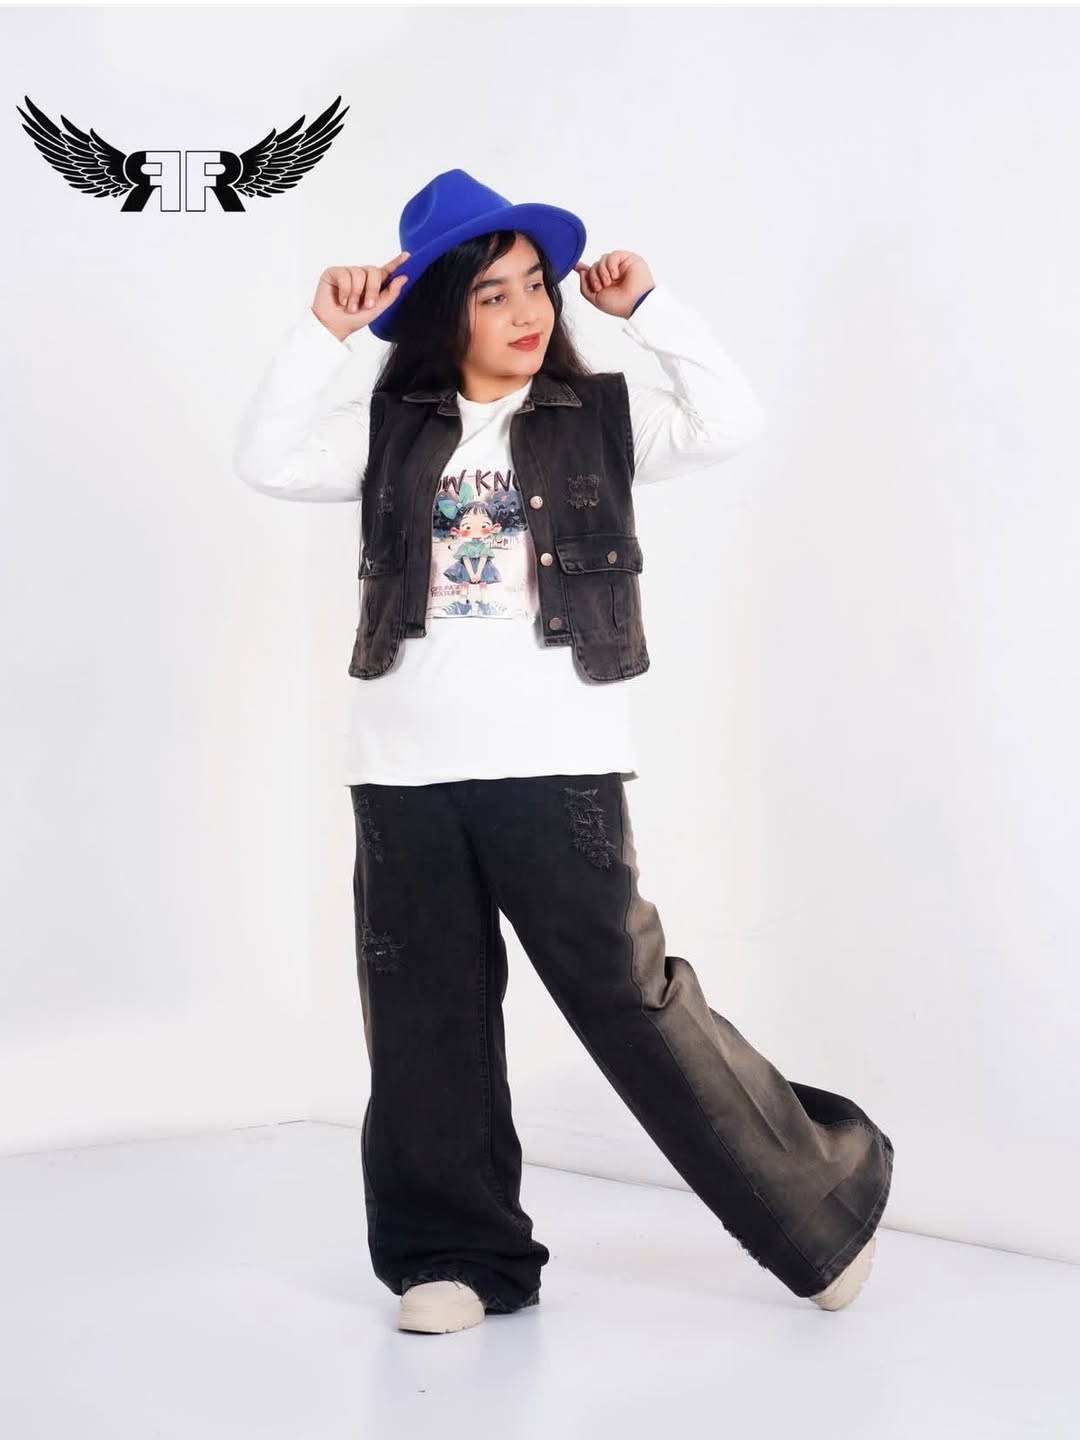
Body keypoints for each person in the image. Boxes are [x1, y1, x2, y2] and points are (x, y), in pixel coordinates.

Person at [233, 168, 894, 1336]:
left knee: (630, 1002)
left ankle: (816, 1206)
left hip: (555, 763)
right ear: (444, 312)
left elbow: (731, 419)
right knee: (426, 1018)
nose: (527, 311)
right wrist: (321, 332)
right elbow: (267, 456)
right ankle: (456, 1257)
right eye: (492, 294)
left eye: (535, 285)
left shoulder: (598, 418)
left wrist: (650, 309)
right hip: (402, 770)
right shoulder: (391, 428)